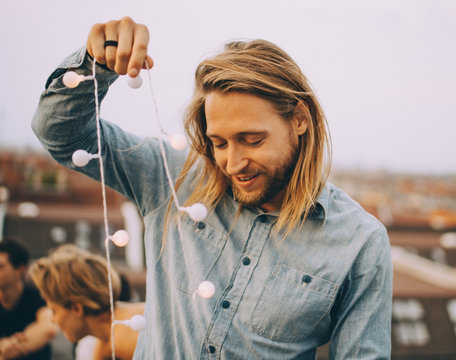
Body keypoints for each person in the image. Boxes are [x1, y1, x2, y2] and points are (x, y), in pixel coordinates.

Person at [32, 16, 393, 359]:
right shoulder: (174, 177)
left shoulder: (360, 242)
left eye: (251, 140)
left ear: (299, 119)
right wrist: (94, 64)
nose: (233, 164)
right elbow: (60, 136)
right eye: (219, 143)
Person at [28, 244, 144, 360]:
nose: (53, 320)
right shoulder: (106, 342)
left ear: (77, 308)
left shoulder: (125, 337)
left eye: (54, 311)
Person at [0, 237, 56, 360]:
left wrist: (12, 345)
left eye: (1, 266)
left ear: (19, 270)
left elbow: (48, 328)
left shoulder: (37, 296)